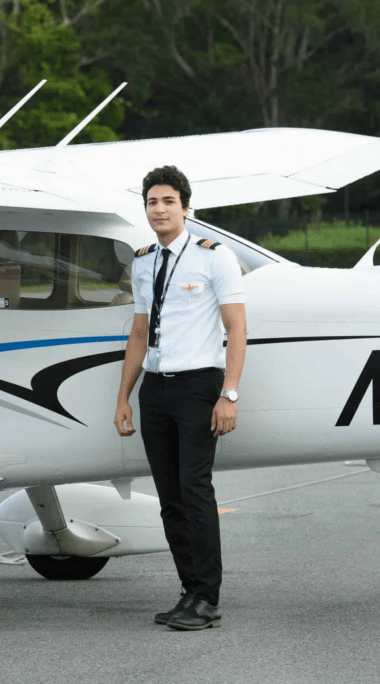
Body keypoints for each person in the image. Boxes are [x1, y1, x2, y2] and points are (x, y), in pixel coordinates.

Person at [113, 165, 247, 631]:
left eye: (169, 201)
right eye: (152, 202)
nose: (160, 209)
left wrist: (228, 394)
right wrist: (124, 398)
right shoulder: (144, 260)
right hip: (157, 389)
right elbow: (137, 333)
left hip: (198, 386)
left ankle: (207, 598)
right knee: (170, 496)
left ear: (186, 208)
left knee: (195, 489)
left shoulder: (215, 257)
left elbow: (236, 329)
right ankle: (189, 592)